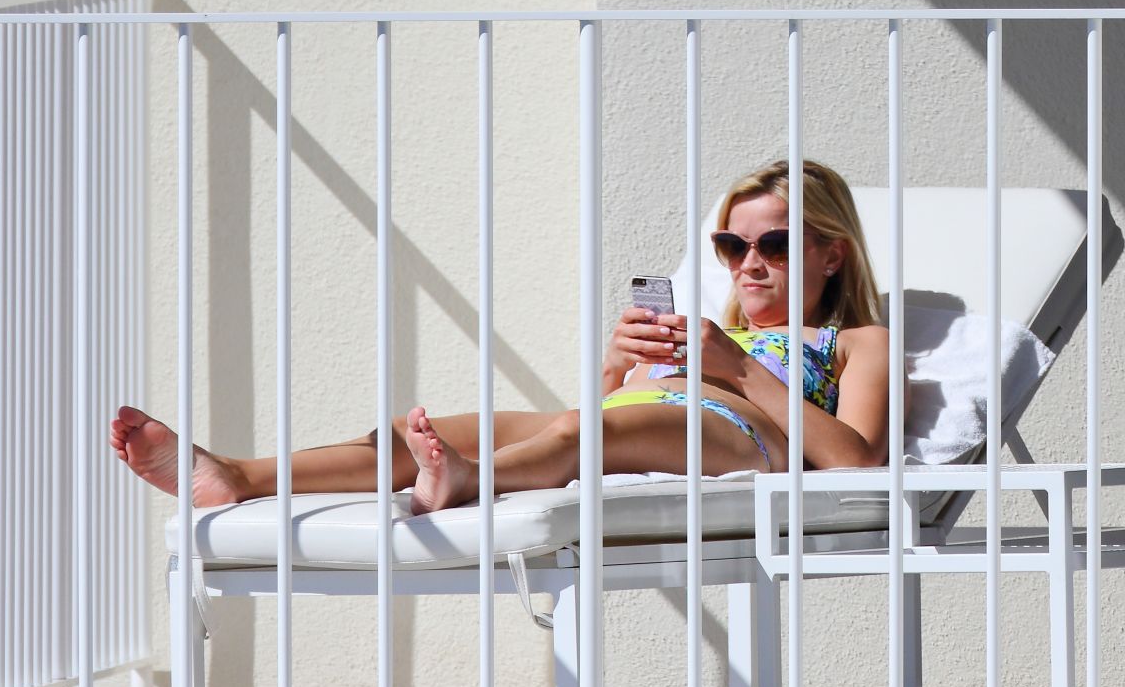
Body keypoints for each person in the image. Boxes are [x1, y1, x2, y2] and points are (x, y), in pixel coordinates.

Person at [110, 159, 892, 516]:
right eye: (732, 246)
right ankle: (238, 475)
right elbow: (609, 417)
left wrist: (741, 372)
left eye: (776, 245)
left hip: (744, 434)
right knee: (435, 427)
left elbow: (858, 459)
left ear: (832, 252)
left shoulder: (859, 341)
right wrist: (619, 365)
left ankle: (467, 482)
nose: (750, 263)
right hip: (651, 416)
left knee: (576, 431)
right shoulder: (710, 329)